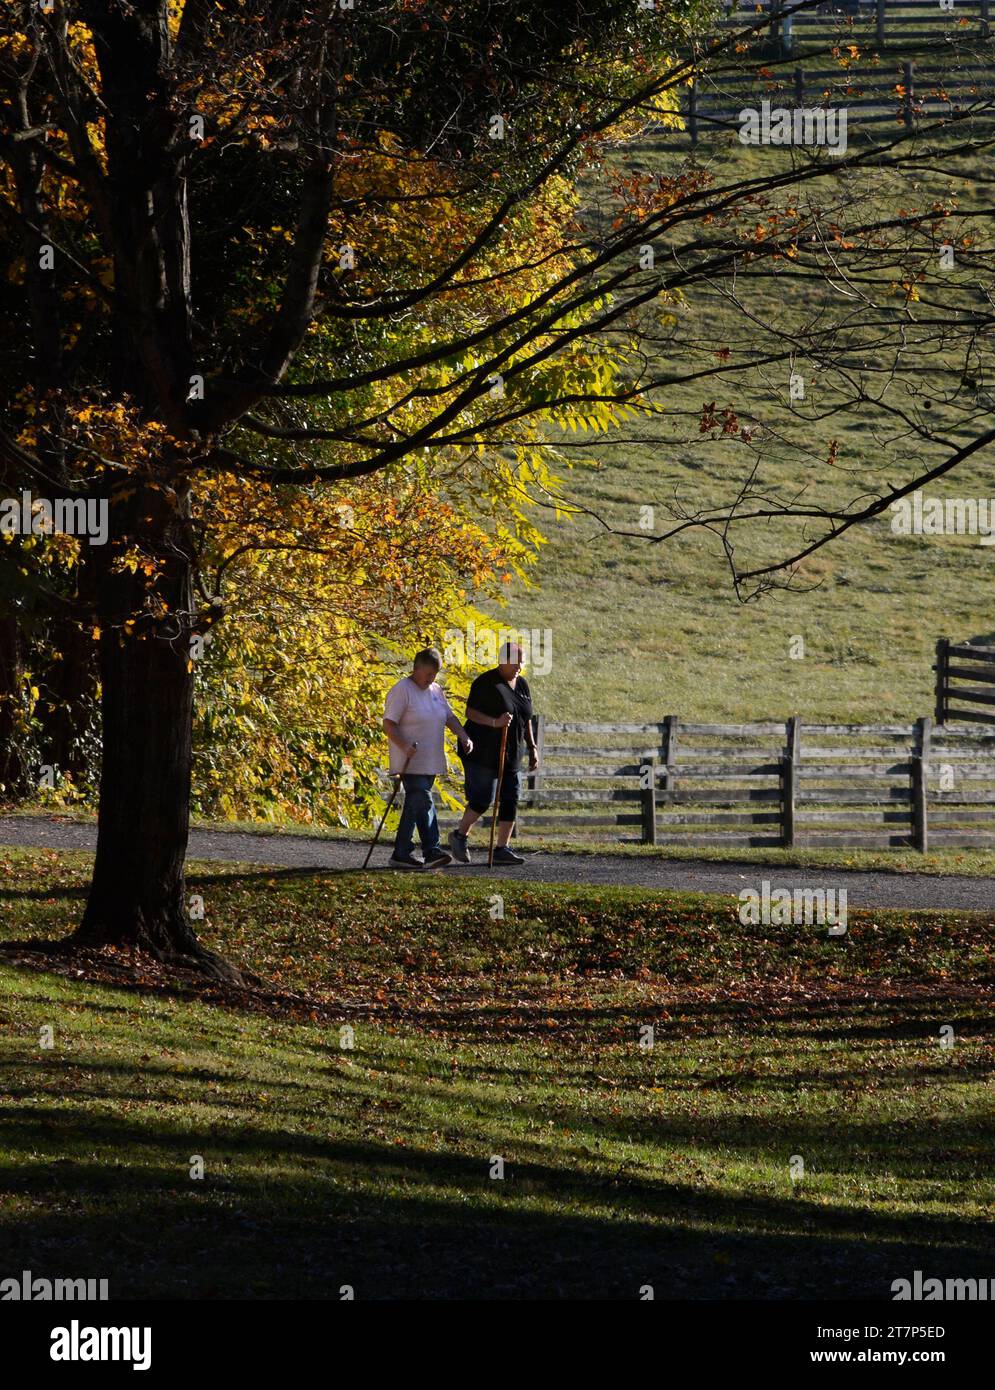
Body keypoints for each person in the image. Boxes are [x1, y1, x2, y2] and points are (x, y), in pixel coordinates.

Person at [449, 641, 539, 866]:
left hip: (512, 752)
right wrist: (495, 722)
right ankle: (459, 836)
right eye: (517, 662)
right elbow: (470, 712)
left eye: (522, 662)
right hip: (483, 751)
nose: (520, 666)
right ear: (503, 660)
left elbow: (526, 717)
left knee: (511, 799)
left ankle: (502, 848)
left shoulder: (522, 684)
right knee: (482, 799)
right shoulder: (486, 683)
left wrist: (533, 747)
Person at [383, 648, 473, 870]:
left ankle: (401, 853)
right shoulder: (402, 690)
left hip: (430, 760)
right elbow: (389, 723)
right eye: (428, 674)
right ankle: (432, 850)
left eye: (434, 674)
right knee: (423, 798)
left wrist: (463, 736)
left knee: (415, 804)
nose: (431, 678)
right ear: (416, 669)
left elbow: (449, 716)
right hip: (410, 760)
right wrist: (404, 746)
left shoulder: (435, 690)